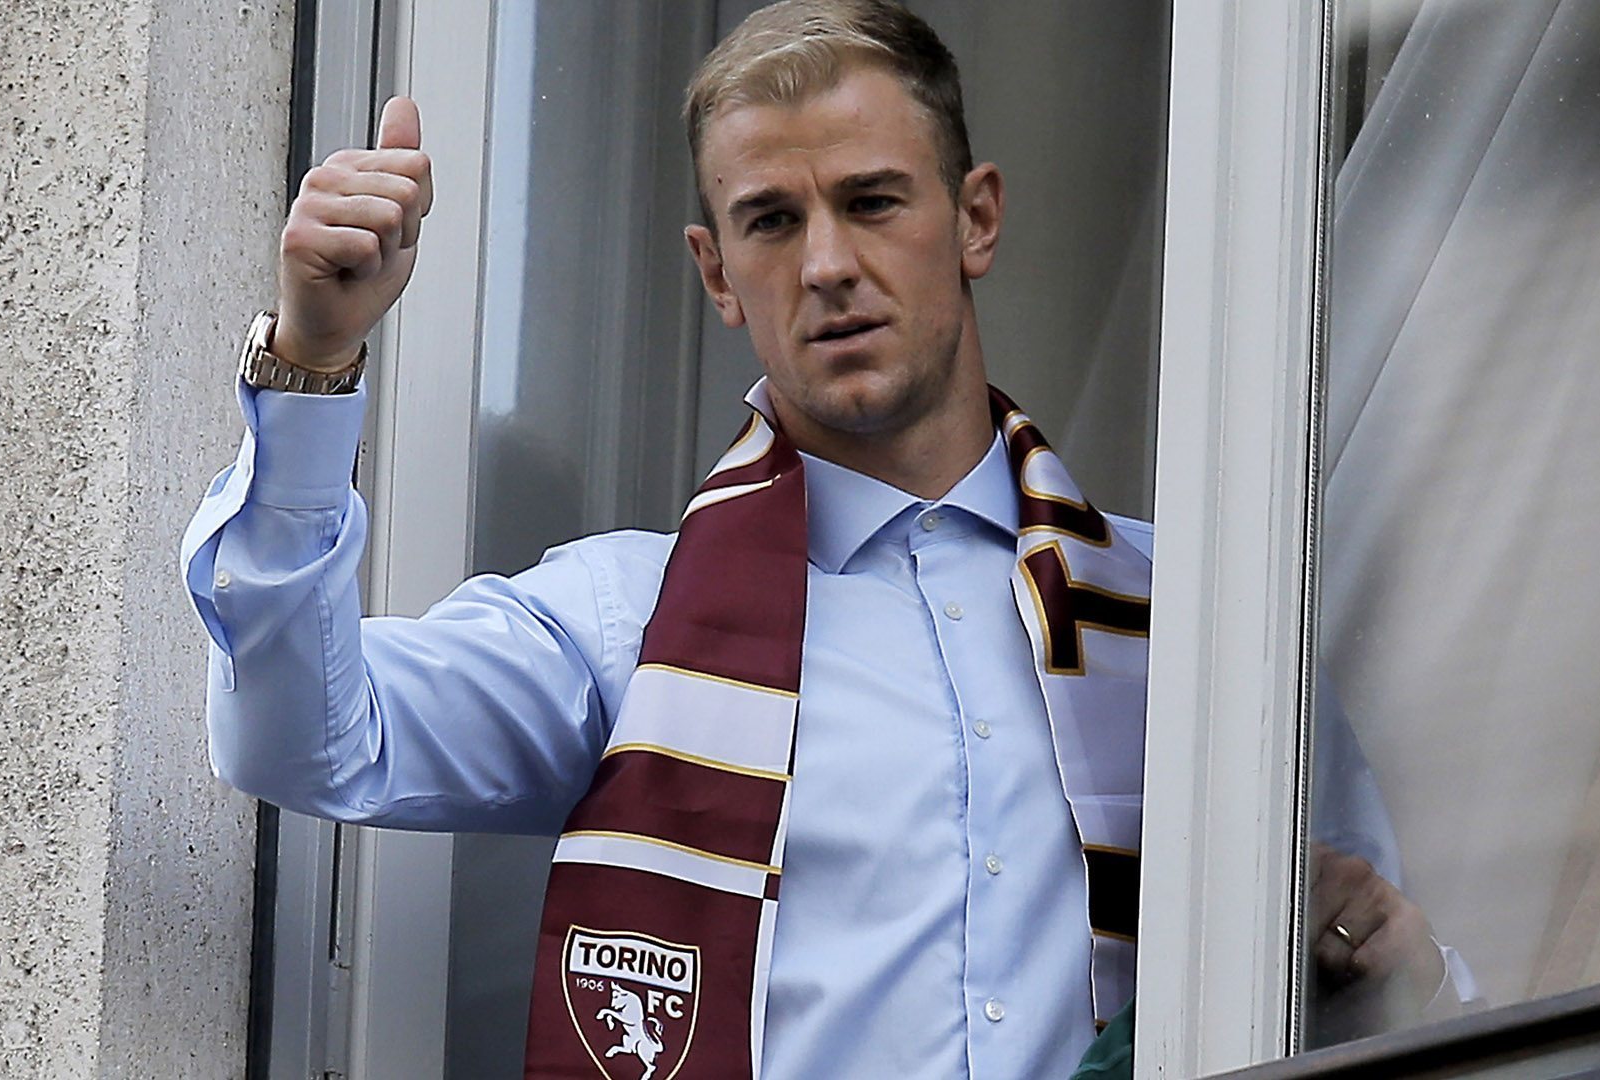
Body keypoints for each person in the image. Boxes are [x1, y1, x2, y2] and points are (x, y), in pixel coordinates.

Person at [181, 2, 1455, 1075]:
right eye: (773, 221)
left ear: (977, 219)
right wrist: (312, 360)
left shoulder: (1195, 614)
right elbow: (300, 738)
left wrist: (1386, 964)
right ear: (716, 272)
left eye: (872, 200)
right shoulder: (629, 621)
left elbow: (1402, 982)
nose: (830, 262)